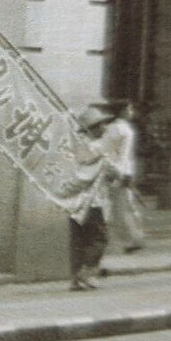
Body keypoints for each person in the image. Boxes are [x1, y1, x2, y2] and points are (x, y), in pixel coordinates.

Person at [68, 105, 115, 291]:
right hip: (93, 201)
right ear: (94, 127)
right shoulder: (97, 149)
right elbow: (111, 172)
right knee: (99, 238)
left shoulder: (76, 147)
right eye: (102, 124)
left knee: (78, 240)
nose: (105, 128)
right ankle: (85, 274)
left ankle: (76, 278)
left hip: (75, 201)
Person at [100, 100, 145, 252]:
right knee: (124, 207)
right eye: (130, 109)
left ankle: (128, 239)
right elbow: (123, 155)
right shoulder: (125, 130)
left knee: (116, 207)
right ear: (123, 111)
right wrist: (125, 174)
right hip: (120, 172)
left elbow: (107, 151)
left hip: (109, 170)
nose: (132, 112)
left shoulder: (109, 128)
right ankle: (131, 240)